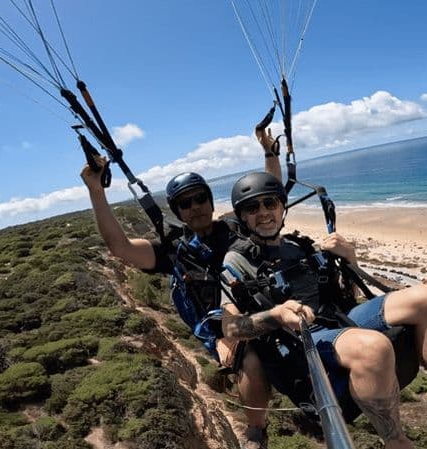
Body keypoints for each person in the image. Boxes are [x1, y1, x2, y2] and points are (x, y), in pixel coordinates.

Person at [219, 172, 427, 449]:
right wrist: (276, 316)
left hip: (338, 321)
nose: (263, 213)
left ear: (281, 206)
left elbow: (343, 294)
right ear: (242, 216)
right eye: (252, 208)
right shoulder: (236, 262)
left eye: (269, 203)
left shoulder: (299, 247)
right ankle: (396, 440)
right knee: (373, 347)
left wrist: (350, 260)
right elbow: (231, 328)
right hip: (298, 344)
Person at [80, 127, 281, 449]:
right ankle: (257, 430)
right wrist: (96, 190)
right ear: (177, 212)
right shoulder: (173, 251)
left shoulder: (234, 226)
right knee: (251, 360)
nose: (195, 207)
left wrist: (270, 153)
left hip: (264, 308)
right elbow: (119, 246)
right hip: (225, 329)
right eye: (186, 204)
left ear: (210, 201)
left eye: (200, 198)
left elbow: (267, 196)